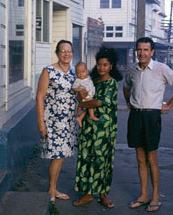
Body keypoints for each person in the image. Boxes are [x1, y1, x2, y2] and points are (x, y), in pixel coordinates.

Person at [123, 37, 173, 212]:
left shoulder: (161, 69)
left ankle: (155, 197)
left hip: (152, 116)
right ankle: (143, 195)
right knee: (139, 157)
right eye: (139, 50)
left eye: (146, 50)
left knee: (151, 158)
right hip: (136, 116)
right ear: (136, 51)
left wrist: (169, 104)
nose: (142, 53)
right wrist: (129, 102)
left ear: (152, 52)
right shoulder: (133, 70)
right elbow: (126, 86)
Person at [73, 47, 123, 208]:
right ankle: (87, 194)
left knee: (102, 159)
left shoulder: (112, 83)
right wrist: (81, 98)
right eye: (100, 64)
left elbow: (99, 102)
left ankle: (103, 194)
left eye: (105, 65)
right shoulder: (92, 80)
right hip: (88, 125)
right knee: (86, 157)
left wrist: (81, 103)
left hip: (104, 128)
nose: (102, 68)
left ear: (111, 66)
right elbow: (82, 93)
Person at [36, 39, 79, 203]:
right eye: (63, 51)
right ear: (57, 53)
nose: (66, 54)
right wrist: (41, 122)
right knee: (57, 155)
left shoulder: (75, 72)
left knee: (60, 155)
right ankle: (51, 189)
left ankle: (53, 188)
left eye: (69, 51)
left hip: (68, 121)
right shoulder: (48, 71)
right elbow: (40, 97)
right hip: (53, 121)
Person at [72, 62, 99, 127]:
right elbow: (74, 88)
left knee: (87, 108)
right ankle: (91, 116)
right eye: (78, 73)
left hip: (90, 95)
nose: (81, 74)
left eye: (83, 72)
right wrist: (80, 89)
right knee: (91, 104)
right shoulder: (78, 80)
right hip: (85, 96)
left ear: (87, 71)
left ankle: (80, 117)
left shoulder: (88, 78)